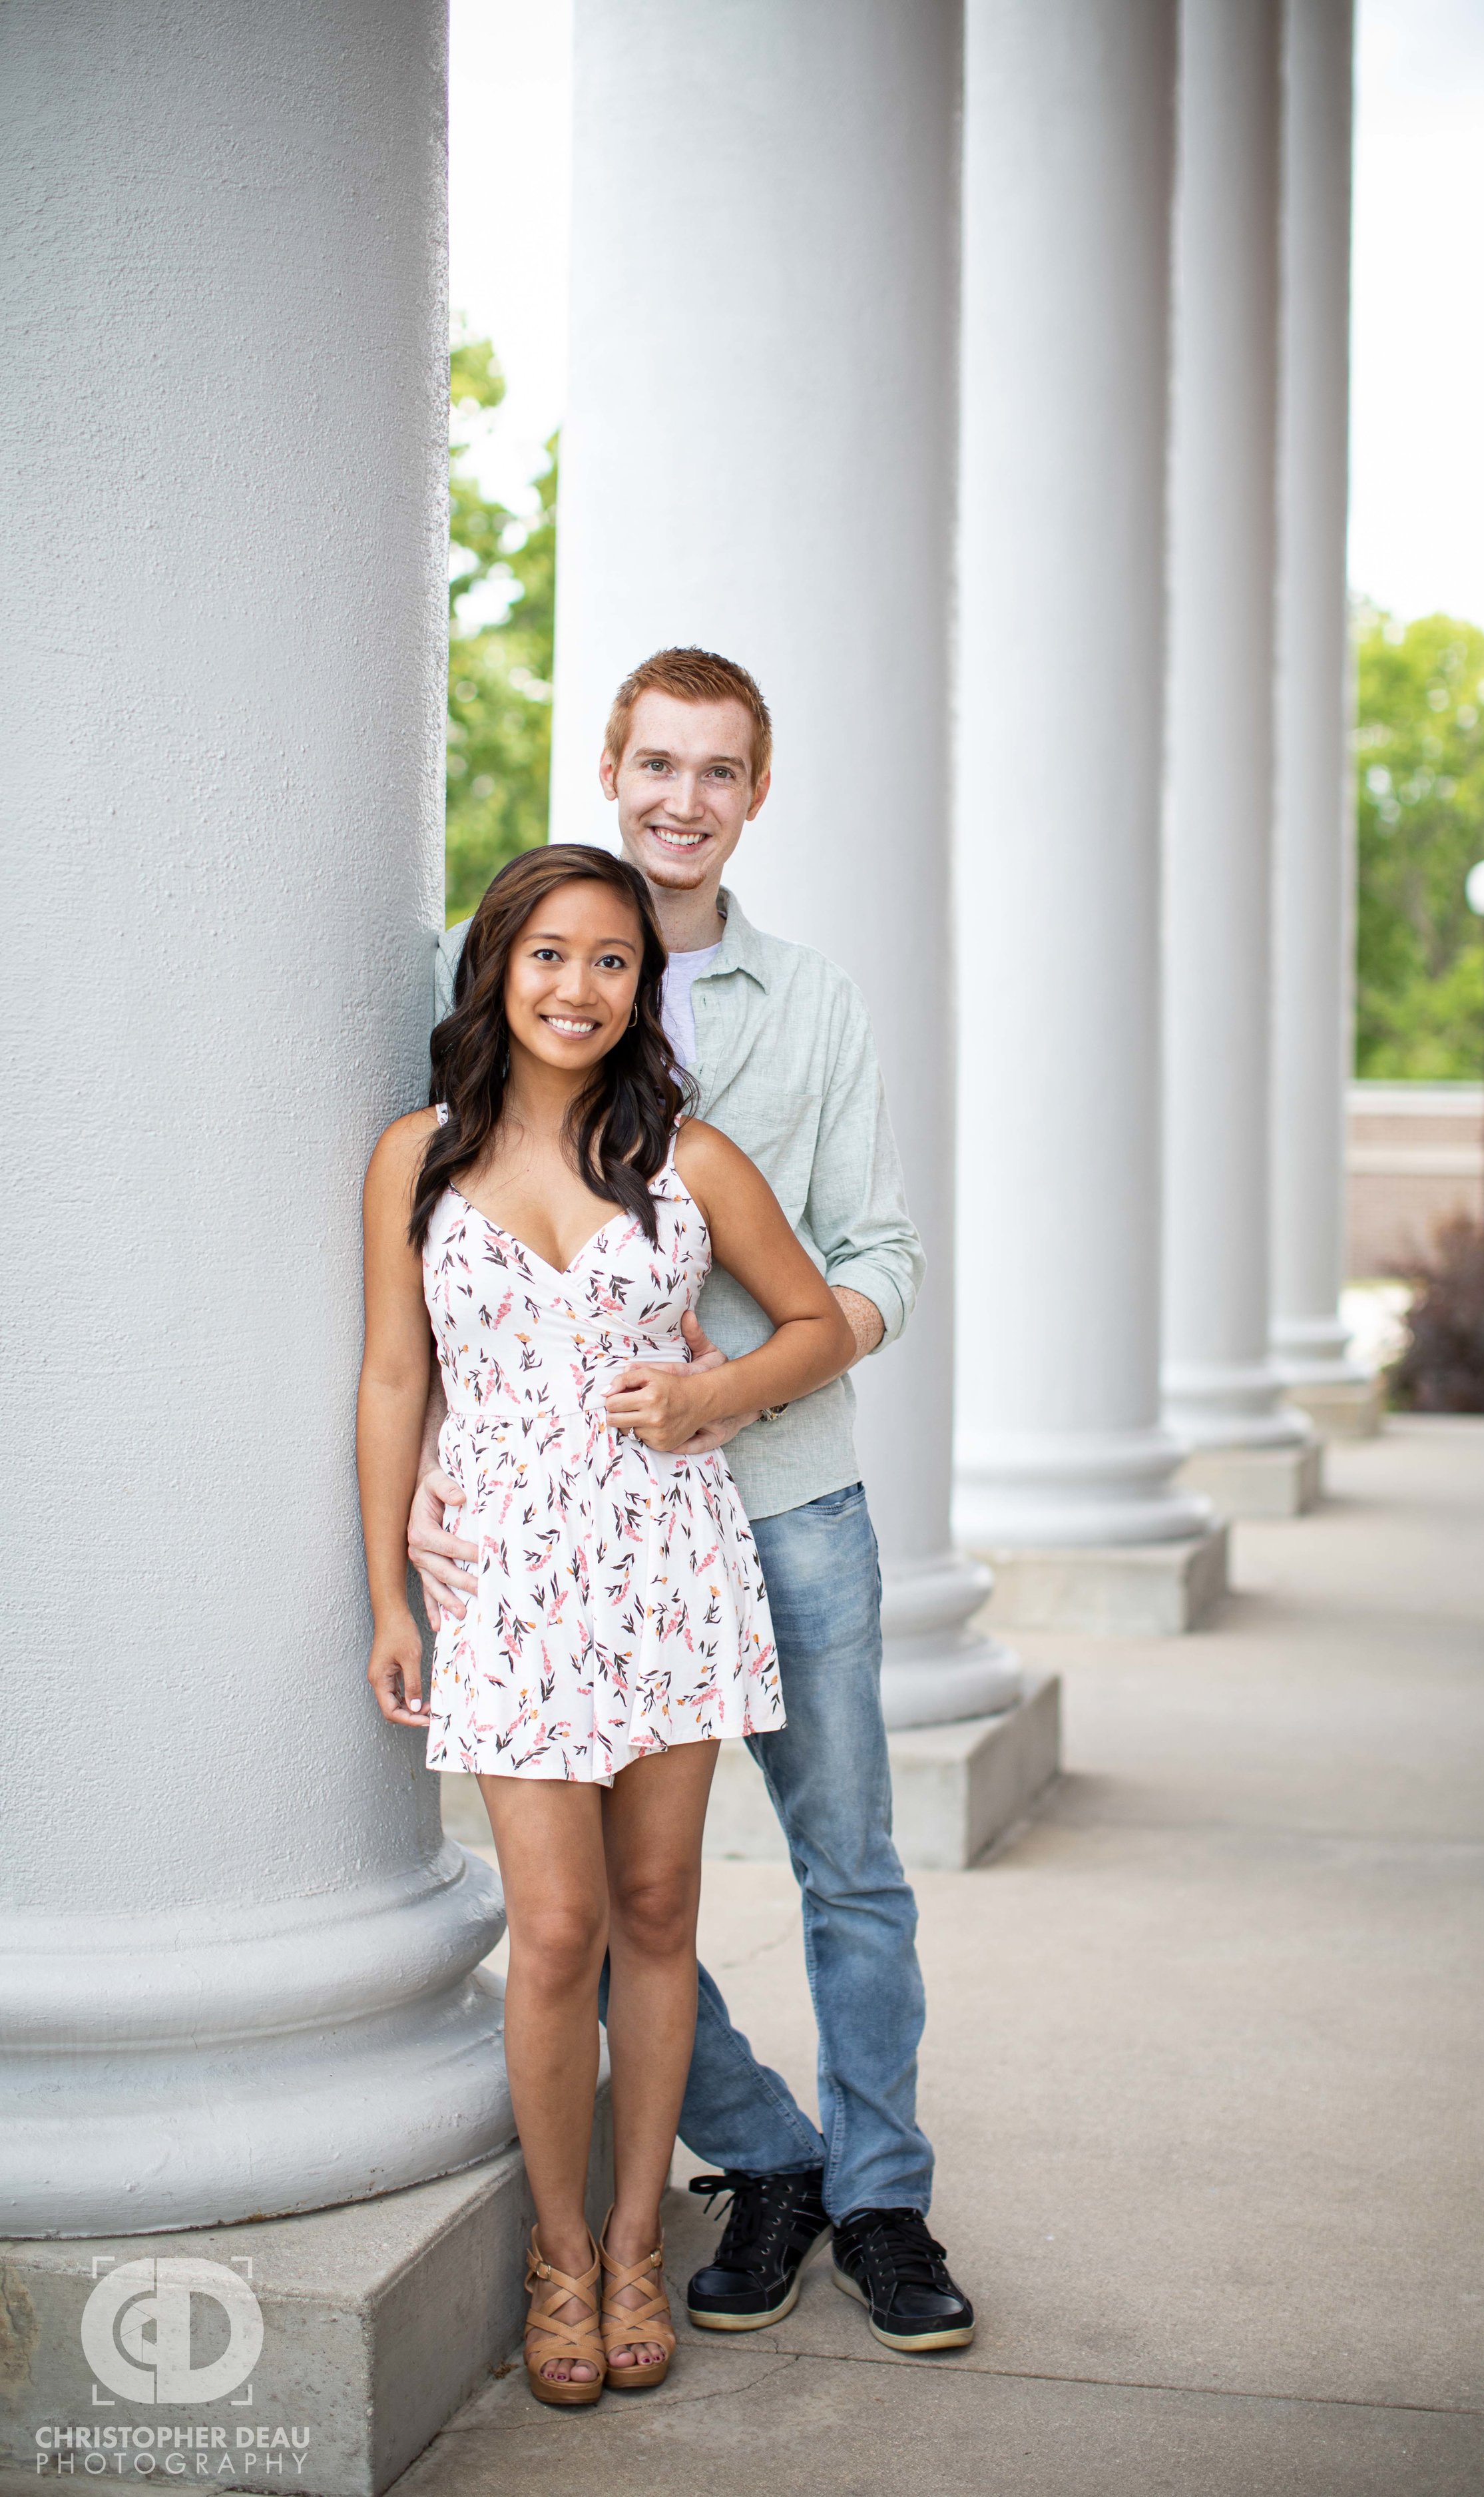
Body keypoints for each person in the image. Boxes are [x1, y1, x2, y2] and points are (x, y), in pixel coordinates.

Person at [412, 647, 979, 2354]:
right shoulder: (540, 956)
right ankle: (760, 2153)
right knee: (603, 1904)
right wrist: (447, 1456)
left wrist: (729, 1392)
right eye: (654, 764)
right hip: (559, 1545)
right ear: (610, 766)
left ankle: (879, 2200)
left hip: (784, 1499)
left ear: (754, 793)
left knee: (845, 1863)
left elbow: (875, 1255)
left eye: (716, 771)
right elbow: (444, 1235)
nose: (681, 798)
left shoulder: (809, 1007)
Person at [357, 842, 855, 2404]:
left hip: (667, 1576)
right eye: (550, 956)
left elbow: (822, 1323)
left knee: (655, 1915)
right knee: (554, 1927)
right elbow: (392, 1378)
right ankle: (554, 2253)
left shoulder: (688, 1160)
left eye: (613, 962)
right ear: (497, 969)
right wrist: (386, 1590)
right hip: (505, 1589)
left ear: (644, 988)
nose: (579, 988)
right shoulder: (416, 1160)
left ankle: (637, 2244)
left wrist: (712, 1390)